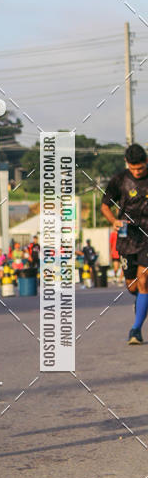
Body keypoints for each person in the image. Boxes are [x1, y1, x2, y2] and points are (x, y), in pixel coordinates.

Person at [101, 143, 148, 344]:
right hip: (127, 236)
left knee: (144, 281)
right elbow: (104, 206)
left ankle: (135, 330)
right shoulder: (119, 180)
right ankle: (140, 302)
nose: (137, 172)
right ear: (126, 163)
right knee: (132, 286)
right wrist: (114, 221)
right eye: (133, 168)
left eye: (141, 168)